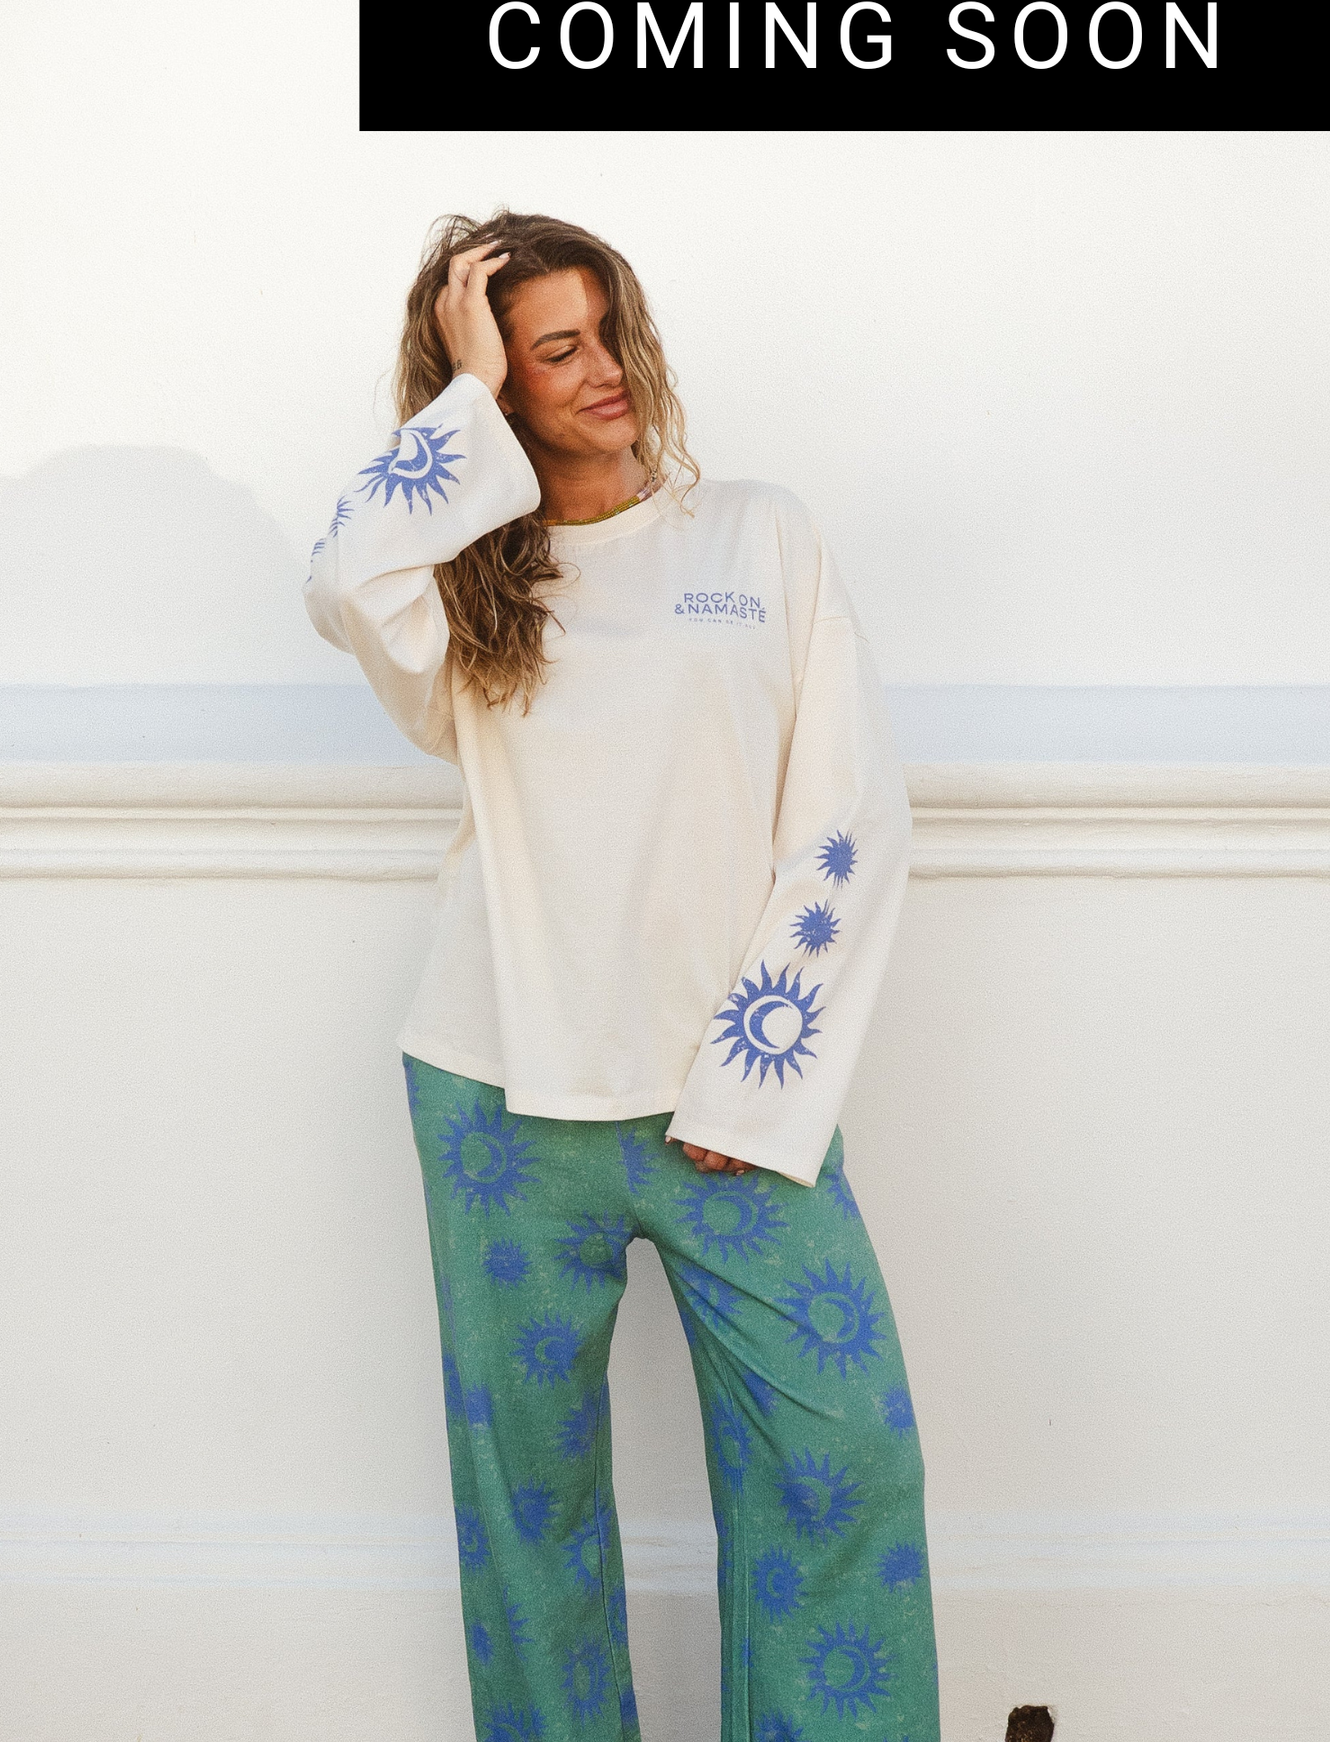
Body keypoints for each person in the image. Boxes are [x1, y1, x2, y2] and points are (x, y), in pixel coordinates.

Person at [303, 210, 937, 1742]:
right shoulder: (462, 589)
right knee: (529, 1511)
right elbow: (342, 580)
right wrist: (463, 396)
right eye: (552, 351)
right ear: (494, 385)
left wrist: (756, 1083)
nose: (602, 372)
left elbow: (848, 814)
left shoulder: (758, 536)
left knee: (844, 1461)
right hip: (498, 1094)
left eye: (607, 332)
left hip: (736, 1102)